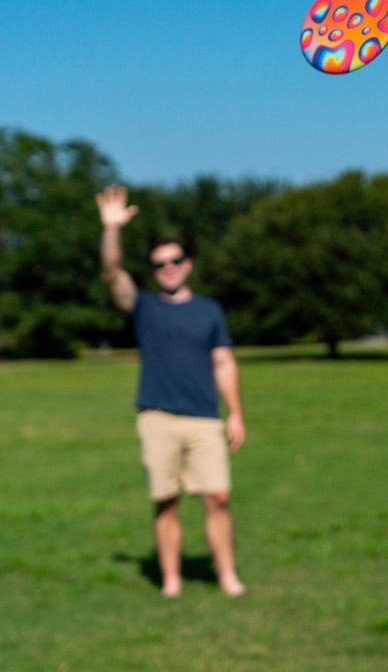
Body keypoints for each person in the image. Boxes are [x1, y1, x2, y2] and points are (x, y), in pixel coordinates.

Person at [96, 185, 247, 598]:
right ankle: (172, 580)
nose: (168, 268)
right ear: (153, 270)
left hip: (204, 418)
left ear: (188, 264)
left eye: (175, 260)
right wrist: (112, 229)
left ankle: (228, 577)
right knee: (166, 502)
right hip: (158, 417)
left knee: (217, 498)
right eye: (160, 264)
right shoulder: (144, 306)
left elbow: (223, 362)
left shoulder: (209, 311)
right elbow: (112, 273)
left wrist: (234, 413)